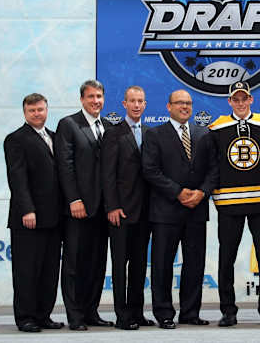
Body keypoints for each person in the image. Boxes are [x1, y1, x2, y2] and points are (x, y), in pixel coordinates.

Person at [142, 89, 218, 329]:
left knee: (195, 263)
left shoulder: (204, 133)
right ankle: (164, 313)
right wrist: (178, 192)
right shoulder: (155, 134)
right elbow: (150, 170)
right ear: (169, 106)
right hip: (166, 210)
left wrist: (202, 192)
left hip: (196, 209)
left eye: (188, 103)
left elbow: (214, 170)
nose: (184, 107)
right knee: (163, 264)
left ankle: (190, 312)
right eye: (179, 103)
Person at [209, 81, 260, 327]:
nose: (240, 103)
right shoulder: (217, 127)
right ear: (229, 101)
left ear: (251, 99)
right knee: (226, 257)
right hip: (229, 203)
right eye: (235, 99)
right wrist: (215, 193)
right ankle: (228, 310)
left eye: (244, 98)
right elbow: (212, 164)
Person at [55, 79, 113, 331]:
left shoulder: (109, 126)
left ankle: (91, 311)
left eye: (99, 96)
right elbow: (65, 166)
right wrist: (73, 199)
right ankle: (75, 315)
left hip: (103, 210)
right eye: (91, 97)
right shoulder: (68, 124)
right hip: (79, 207)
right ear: (82, 99)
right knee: (75, 263)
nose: (96, 101)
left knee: (98, 263)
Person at [3, 93, 64, 333]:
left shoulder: (55, 137)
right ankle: (26, 317)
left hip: (53, 218)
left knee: (49, 271)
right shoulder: (15, 139)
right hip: (28, 219)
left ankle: (43, 315)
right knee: (27, 270)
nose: (37, 114)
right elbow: (17, 179)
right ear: (25, 113)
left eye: (41, 109)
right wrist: (27, 209)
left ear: (47, 110)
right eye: (32, 110)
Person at [101, 86, 154, 330]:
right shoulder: (113, 133)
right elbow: (107, 174)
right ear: (124, 104)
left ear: (145, 104)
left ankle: (137, 312)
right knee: (120, 265)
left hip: (145, 212)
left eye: (140, 101)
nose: (136, 105)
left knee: (140, 265)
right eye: (132, 101)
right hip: (120, 212)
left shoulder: (150, 132)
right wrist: (112, 206)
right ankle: (122, 315)